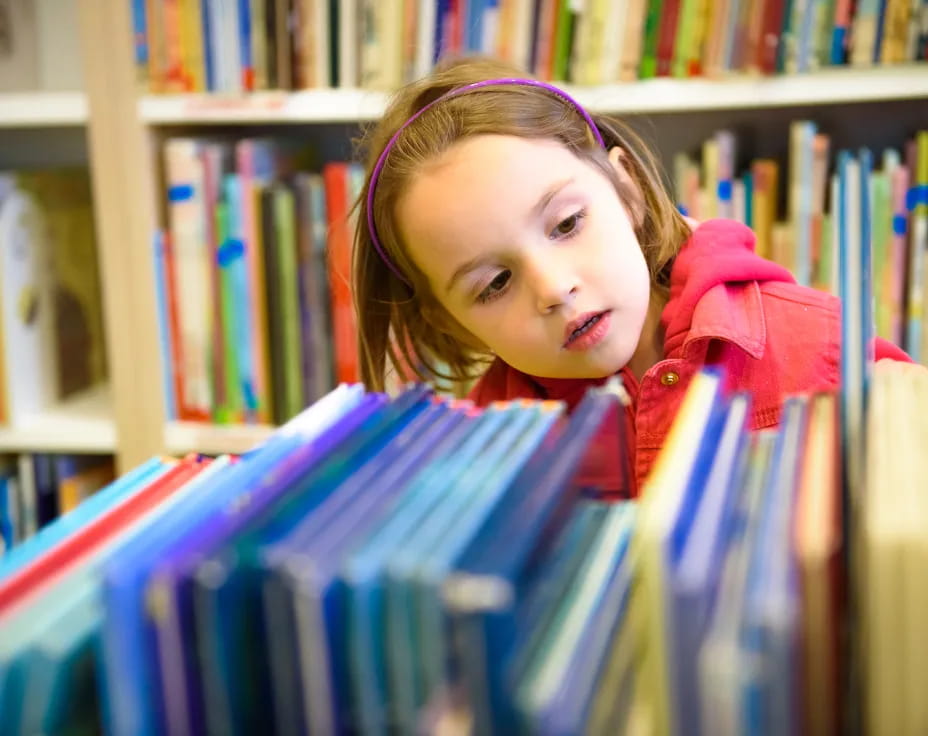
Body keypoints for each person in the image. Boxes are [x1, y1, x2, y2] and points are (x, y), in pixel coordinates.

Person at [351, 57, 910, 496]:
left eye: (567, 223)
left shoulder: (825, 349)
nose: (553, 288)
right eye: (495, 284)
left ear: (628, 191)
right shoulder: (480, 448)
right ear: (451, 324)